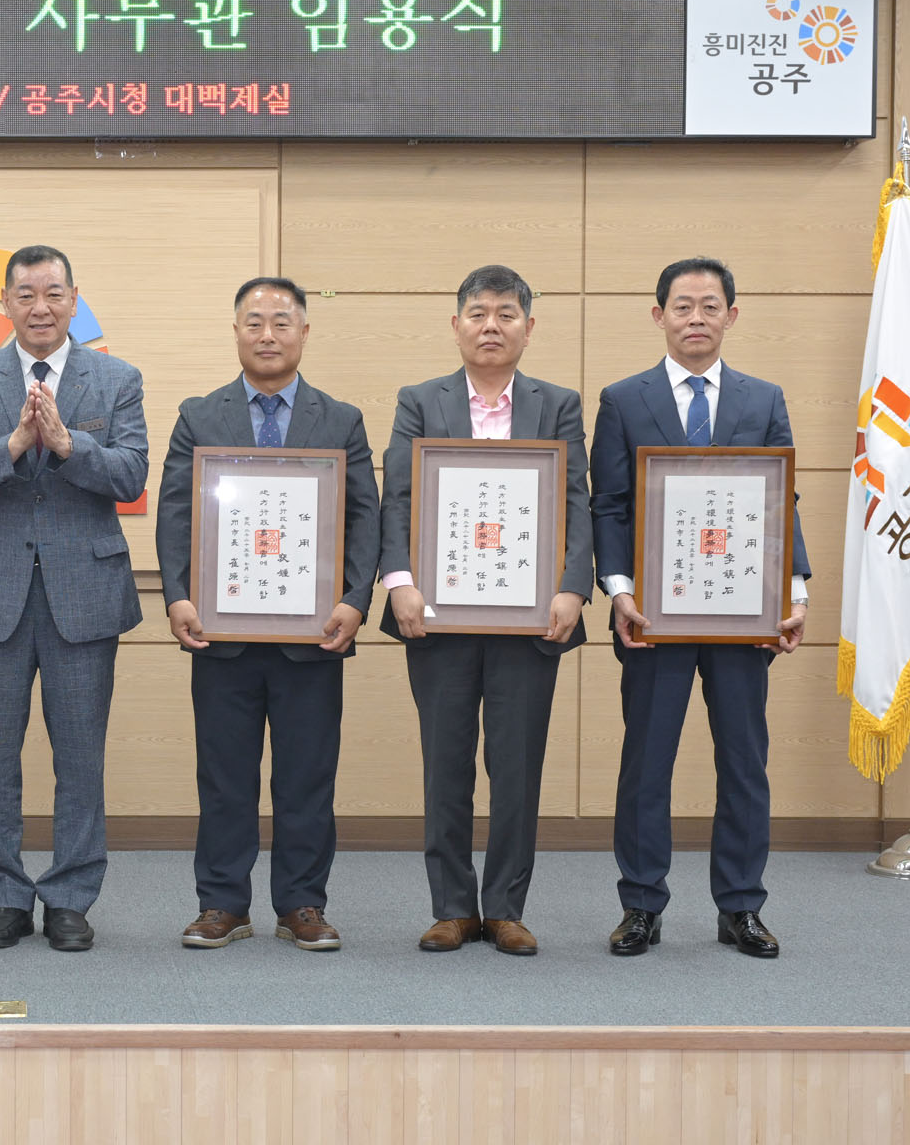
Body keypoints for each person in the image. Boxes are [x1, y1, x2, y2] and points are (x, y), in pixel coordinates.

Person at [591, 257, 810, 959]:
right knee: (646, 763)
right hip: (651, 618)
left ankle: (741, 907)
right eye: (682, 306)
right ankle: (641, 906)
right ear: (658, 315)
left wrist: (793, 592)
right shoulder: (622, 400)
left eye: (709, 306)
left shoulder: (763, 399)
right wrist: (619, 592)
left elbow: (781, 500)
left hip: (743, 617)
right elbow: (609, 505)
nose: (695, 318)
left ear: (731, 316)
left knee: (744, 762)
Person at [0, 245, 148, 954]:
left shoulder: (117, 379)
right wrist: (17, 443)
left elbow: (131, 476)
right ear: (5, 304)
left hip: (84, 592)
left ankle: (70, 898)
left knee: (80, 758)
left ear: (74, 300)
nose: (41, 307)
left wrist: (68, 445)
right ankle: (2, 897)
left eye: (54, 293)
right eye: (25, 294)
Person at [157, 277, 379, 953]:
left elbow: (365, 517)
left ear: (304, 332)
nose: (267, 335)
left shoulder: (340, 420)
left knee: (307, 776)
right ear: (235, 332)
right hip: (219, 634)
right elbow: (175, 512)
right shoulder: (200, 415)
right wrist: (178, 594)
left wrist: (354, 599)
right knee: (224, 776)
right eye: (254, 322)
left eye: (282, 322)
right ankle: (222, 903)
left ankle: (302, 904)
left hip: (314, 636)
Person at [377, 265, 593, 958]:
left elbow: (577, 501)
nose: (491, 326)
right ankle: (450, 908)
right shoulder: (420, 401)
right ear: (456, 325)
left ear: (528, 327)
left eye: (506, 313)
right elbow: (398, 498)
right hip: (437, 616)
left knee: (517, 766)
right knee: (445, 765)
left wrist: (573, 586)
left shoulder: (558, 405)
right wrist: (400, 582)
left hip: (529, 620)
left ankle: (503, 909)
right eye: (478, 313)